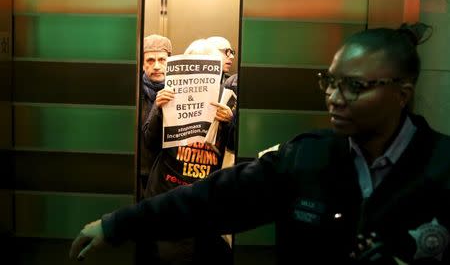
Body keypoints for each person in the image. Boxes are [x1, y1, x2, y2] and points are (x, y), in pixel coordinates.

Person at [70, 22, 450, 264]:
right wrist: (116, 225)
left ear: (402, 94)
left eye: (355, 86)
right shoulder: (307, 158)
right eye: (329, 81)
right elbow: (215, 197)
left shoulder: (443, 168)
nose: (334, 97)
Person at [140, 38, 235, 265]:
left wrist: (230, 121)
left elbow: (235, 147)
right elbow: (149, 142)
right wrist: (159, 108)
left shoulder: (228, 99)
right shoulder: (168, 95)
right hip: (167, 192)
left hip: (205, 198)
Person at [139, 34, 173, 198]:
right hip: (142, 175)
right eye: (150, 60)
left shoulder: (181, 91)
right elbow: (148, 139)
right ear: (142, 64)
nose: (157, 66)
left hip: (171, 177)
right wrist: (157, 107)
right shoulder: (135, 93)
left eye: (162, 60)